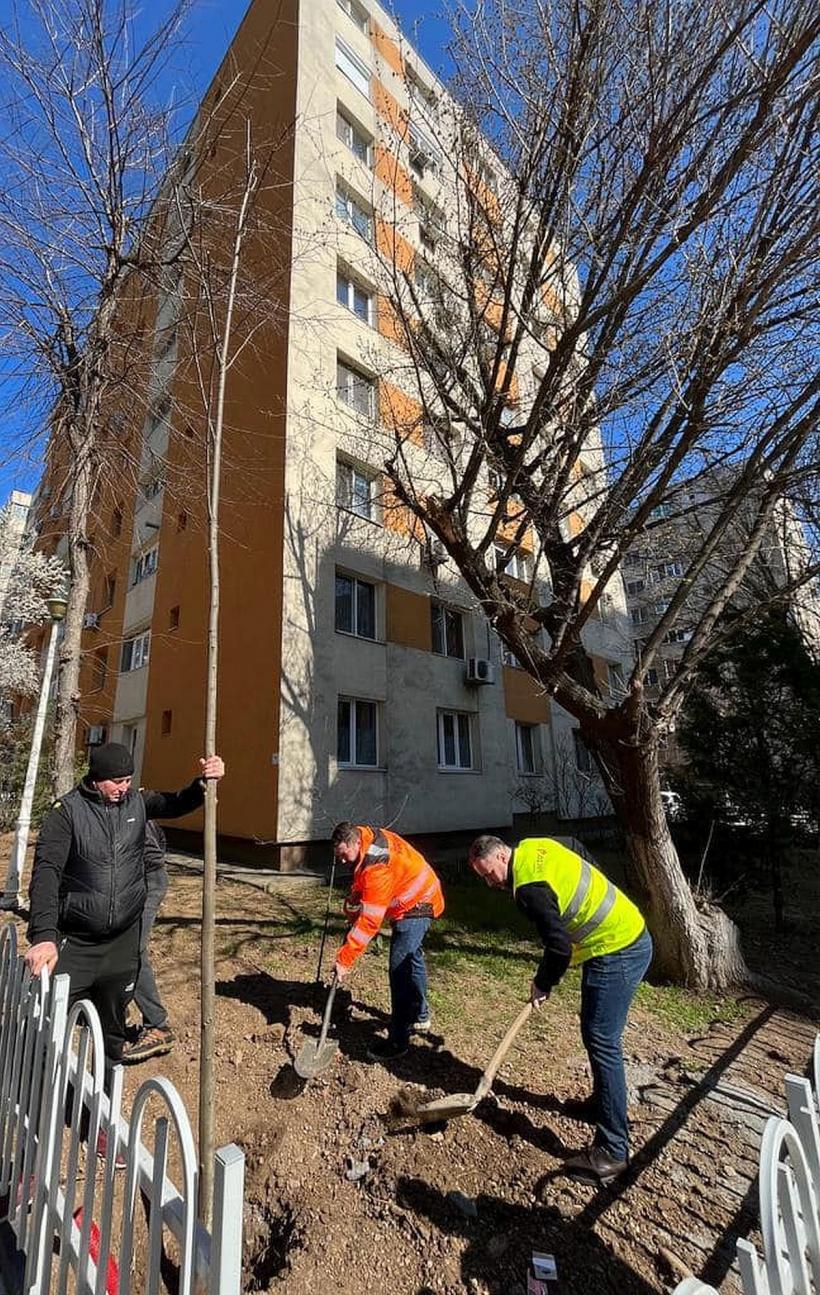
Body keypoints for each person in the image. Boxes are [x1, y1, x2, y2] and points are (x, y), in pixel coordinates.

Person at [25, 742, 225, 1068]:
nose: (124, 788)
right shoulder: (67, 813)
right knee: (50, 1020)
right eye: (117, 782)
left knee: (111, 1030)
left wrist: (204, 783)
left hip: (121, 942)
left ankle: (102, 1099)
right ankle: (41, 1090)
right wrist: (44, 934)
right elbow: (46, 874)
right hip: (78, 942)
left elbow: (176, 803)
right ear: (96, 778)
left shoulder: (137, 803)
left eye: (129, 780)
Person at [468, 834, 652, 1185]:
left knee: (602, 1040)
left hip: (617, 947)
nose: (489, 882)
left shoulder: (528, 891)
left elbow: (559, 947)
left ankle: (613, 1150)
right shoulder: (537, 846)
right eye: (482, 877)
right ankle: (603, 1103)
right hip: (622, 931)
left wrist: (543, 983)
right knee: (595, 1031)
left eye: (489, 873)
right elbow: (576, 846)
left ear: (503, 855)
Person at [331, 821, 444, 1062]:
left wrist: (344, 960)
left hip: (418, 902)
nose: (342, 861)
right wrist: (353, 901)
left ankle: (398, 1041)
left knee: (399, 968)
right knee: (411, 956)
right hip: (419, 890)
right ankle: (420, 1016)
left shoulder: (376, 867)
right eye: (338, 856)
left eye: (343, 855)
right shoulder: (365, 836)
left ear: (355, 843)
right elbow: (364, 881)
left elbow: (370, 923)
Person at [121, 821, 173, 1063]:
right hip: (134, 880)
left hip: (147, 879)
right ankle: (118, 1007)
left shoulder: (125, 806)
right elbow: (160, 837)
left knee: (132, 950)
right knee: (117, 944)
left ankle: (158, 1026)